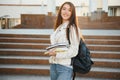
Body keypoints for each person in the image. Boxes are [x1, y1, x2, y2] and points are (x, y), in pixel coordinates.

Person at [46, 2, 83, 80]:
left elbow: (74, 51)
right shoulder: (59, 27)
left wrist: (56, 54)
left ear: (72, 13)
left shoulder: (73, 28)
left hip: (64, 67)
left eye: (69, 10)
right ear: (60, 11)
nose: (66, 12)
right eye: (64, 9)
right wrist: (52, 50)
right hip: (54, 65)